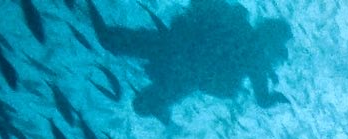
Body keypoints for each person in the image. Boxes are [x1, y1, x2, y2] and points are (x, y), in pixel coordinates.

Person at [87, 0, 291, 124]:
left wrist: (273, 98)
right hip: (181, 59)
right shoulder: (253, 56)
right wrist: (274, 98)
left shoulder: (251, 51)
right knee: (109, 41)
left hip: (180, 60)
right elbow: (262, 100)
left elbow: (262, 99)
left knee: (110, 42)